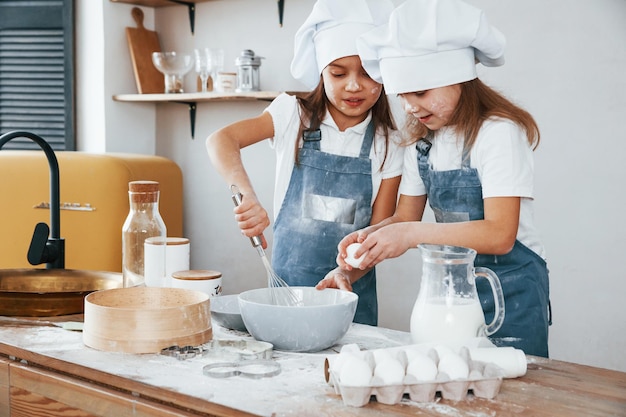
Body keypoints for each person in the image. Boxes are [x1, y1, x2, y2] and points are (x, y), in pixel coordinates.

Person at [317, 0, 551, 357]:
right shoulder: (423, 144)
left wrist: (410, 235)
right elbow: (404, 220)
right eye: (403, 95)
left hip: (514, 294)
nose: (410, 106)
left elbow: (500, 234)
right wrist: (352, 264)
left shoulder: (498, 133)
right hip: (454, 298)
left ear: (458, 79)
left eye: (421, 93)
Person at [206, 0, 404, 326]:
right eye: (338, 73)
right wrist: (247, 196)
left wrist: (345, 273)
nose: (353, 85)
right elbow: (220, 140)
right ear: (321, 72)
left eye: (368, 73)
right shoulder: (293, 113)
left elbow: (379, 233)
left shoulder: (390, 142)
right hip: (285, 297)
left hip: (351, 300)